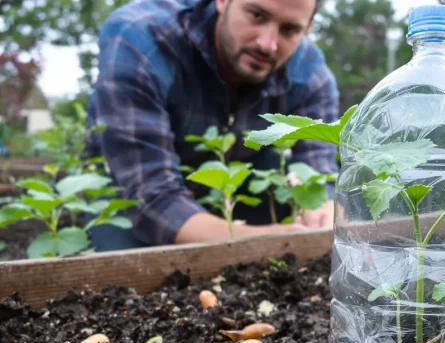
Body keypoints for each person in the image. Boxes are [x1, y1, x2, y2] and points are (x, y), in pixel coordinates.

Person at [84, 0, 338, 251]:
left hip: (233, 183)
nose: (267, 44)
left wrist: (322, 209)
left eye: (289, 30)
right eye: (257, 15)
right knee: (123, 271)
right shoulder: (141, 40)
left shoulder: (311, 74)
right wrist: (265, 243)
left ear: (308, 28)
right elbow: (150, 196)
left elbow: (318, 171)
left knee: (287, 174)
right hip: (131, 184)